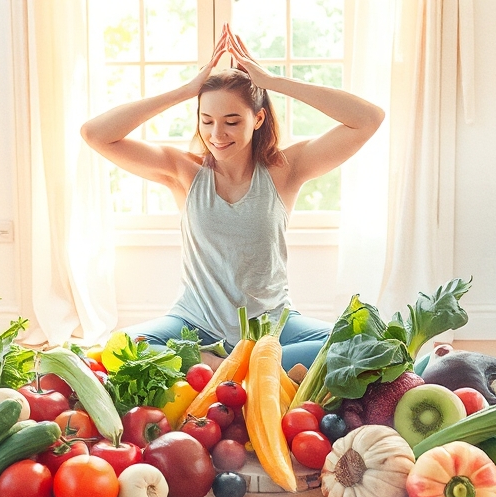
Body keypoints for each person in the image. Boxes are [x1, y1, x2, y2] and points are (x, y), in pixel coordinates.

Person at [80, 24, 384, 371]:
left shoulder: (285, 170)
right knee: (118, 348)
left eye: (231, 121)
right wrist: (184, 91)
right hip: (194, 325)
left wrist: (273, 82)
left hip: (272, 328)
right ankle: (249, 368)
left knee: (365, 345)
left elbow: (368, 119)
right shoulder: (184, 172)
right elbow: (95, 134)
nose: (216, 134)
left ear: (257, 119)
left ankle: (223, 367)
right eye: (206, 120)